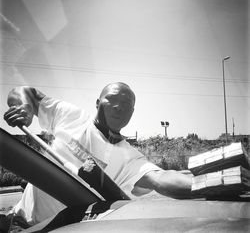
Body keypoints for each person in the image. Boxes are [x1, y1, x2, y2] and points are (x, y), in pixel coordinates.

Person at [4, 82, 191, 225]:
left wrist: (211, 182)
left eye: (126, 103)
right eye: (112, 99)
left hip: (64, 229)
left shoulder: (132, 159)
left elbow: (161, 178)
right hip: (19, 223)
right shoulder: (72, 117)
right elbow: (25, 91)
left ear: (132, 112)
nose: (119, 106)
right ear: (97, 102)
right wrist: (26, 108)